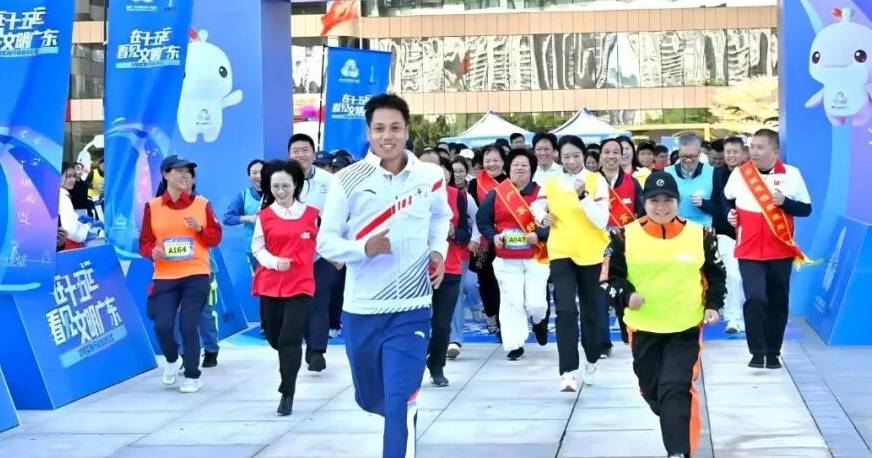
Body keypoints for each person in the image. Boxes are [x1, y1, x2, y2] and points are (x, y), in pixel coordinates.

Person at [317, 94, 451, 457]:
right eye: (379, 128)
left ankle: (404, 415)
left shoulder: (430, 176)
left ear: (407, 130)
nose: (387, 136)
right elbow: (325, 242)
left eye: (395, 128)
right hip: (362, 309)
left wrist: (437, 251)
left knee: (399, 402)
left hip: (413, 307)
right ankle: (396, 408)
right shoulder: (347, 180)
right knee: (372, 396)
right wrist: (364, 248)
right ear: (369, 132)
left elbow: (441, 217)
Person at [606, 171, 726, 458]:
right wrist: (627, 296)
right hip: (643, 329)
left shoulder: (701, 234)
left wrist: (712, 305)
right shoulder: (623, 236)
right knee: (652, 390)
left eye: (668, 200)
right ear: (644, 203)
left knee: (675, 386)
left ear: (678, 201)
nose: (661, 207)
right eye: (654, 201)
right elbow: (608, 279)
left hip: (685, 327)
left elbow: (716, 275)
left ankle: (678, 451)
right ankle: (674, 417)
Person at [724, 129, 812, 369]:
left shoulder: (792, 174)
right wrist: (729, 214)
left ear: (775, 151)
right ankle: (757, 351)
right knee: (755, 297)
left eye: (760, 147)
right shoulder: (740, 174)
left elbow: (806, 209)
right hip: (749, 250)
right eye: (752, 147)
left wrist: (785, 202)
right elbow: (727, 200)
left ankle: (773, 352)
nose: (754, 152)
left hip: (781, 250)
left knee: (777, 301)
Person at [139, 155, 222, 393]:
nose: (185, 175)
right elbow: (144, 242)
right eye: (178, 171)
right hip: (165, 275)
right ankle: (172, 359)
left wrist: (200, 229)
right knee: (162, 325)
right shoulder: (153, 206)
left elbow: (215, 237)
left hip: (196, 272)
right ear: (166, 174)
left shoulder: (202, 204)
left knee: (188, 324)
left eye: (188, 171)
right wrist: (152, 252)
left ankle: (193, 375)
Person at [533, 135, 610, 390]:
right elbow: (537, 206)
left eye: (576, 156)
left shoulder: (596, 180)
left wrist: (583, 196)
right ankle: (568, 371)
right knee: (565, 310)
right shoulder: (551, 182)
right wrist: (541, 217)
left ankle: (592, 358)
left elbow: (601, 220)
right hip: (561, 251)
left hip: (592, 253)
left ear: (584, 156)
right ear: (559, 157)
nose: (572, 161)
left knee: (591, 310)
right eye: (566, 156)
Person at [251, 160, 320, 416]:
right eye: (275, 186)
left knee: (290, 337)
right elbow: (257, 248)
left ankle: (287, 391)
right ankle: (288, 364)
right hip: (271, 282)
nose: (281, 191)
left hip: (300, 284)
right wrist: (274, 262)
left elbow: (323, 243)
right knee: (274, 338)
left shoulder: (312, 214)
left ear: (296, 185)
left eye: (286, 186)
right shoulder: (265, 216)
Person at [477, 148, 550, 360]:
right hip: (507, 259)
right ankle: (514, 344)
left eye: (524, 165)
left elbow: (555, 223)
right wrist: (493, 237)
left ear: (532, 169)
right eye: (516, 164)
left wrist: (539, 235)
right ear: (508, 168)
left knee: (536, 303)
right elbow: (483, 221)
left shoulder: (542, 194)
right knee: (512, 301)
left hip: (536, 256)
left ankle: (538, 320)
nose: (519, 168)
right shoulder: (497, 193)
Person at [418, 152, 471, 386]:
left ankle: (437, 366)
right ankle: (413, 366)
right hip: (415, 270)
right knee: (416, 324)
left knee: (441, 324)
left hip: (449, 268)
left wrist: (452, 232)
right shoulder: (408, 195)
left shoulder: (455, 195)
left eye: (435, 167)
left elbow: (465, 234)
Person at [289, 133, 336, 372]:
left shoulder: (330, 181)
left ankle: (317, 350)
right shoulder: (282, 179)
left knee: (319, 299)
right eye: (295, 151)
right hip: (292, 253)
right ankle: (308, 341)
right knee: (301, 300)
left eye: (305, 150)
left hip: (322, 251)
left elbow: (340, 212)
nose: (301, 155)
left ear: (313, 153)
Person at [599, 138, 644, 353]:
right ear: (600, 156)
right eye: (606, 152)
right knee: (598, 293)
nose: (611, 156)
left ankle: (628, 332)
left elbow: (642, 213)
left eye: (616, 152)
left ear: (623, 155)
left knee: (620, 287)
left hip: (624, 247)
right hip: (594, 246)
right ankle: (602, 343)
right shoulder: (589, 182)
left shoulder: (632, 183)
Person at [467, 145, 507, 336]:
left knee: (504, 283)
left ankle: (504, 321)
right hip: (483, 241)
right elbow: (472, 214)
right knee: (486, 281)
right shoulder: (475, 184)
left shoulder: (511, 182)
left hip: (506, 239)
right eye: (487, 161)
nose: (492, 164)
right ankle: (491, 314)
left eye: (496, 160)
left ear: (503, 161)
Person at [447, 156, 483, 360]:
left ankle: (455, 338)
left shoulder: (463, 197)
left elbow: (477, 220)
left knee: (462, 289)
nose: (457, 175)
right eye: (454, 171)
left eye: (460, 171)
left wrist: (474, 240)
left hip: (460, 251)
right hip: (434, 255)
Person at [712, 136, 747, 333]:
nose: (731, 156)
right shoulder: (717, 173)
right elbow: (720, 200)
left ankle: (745, 314)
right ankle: (733, 318)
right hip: (725, 233)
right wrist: (728, 214)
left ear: (743, 153)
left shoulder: (752, 173)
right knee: (733, 275)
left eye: (735, 152)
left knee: (745, 277)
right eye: (728, 152)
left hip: (749, 233)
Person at [665, 133, 716, 227]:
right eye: (684, 156)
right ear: (679, 153)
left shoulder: (713, 173)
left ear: (699, 154)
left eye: (692, 156)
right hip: (675, 228)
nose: (688, 160)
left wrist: (705, 204)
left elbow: (721, 207)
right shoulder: (667, 173)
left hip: (703, 228)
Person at [223, 159, 265, 272]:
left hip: (276, 247)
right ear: (249, 177)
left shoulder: (277, 192)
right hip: (254, 249)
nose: (259, 176)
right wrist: (249, 219)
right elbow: (227, 218)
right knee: (261, 280)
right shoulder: (244, 195)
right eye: (254, 173)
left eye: (262, 172)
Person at [59, 162, 100, 250]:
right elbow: (73, 232)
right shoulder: (62, 197)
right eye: (68, 176)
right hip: (68, 246)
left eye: (74, 176)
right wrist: (88, 226)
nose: (72, 179)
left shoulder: (62, 193)